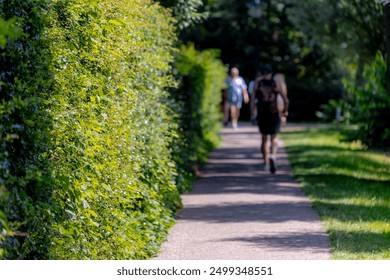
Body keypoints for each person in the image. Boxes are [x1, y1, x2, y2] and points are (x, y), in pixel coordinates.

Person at [252, 64, 289, 173]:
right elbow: (285, 100)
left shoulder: (258, 83)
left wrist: (252, 114)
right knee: (274, 137)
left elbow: (252, 99)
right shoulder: (275, 83)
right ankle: (273, 155)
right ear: (271, 73)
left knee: (264, 139)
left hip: (262, 114)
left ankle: (266, 164)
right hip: (274, 113)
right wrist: (285, 112)